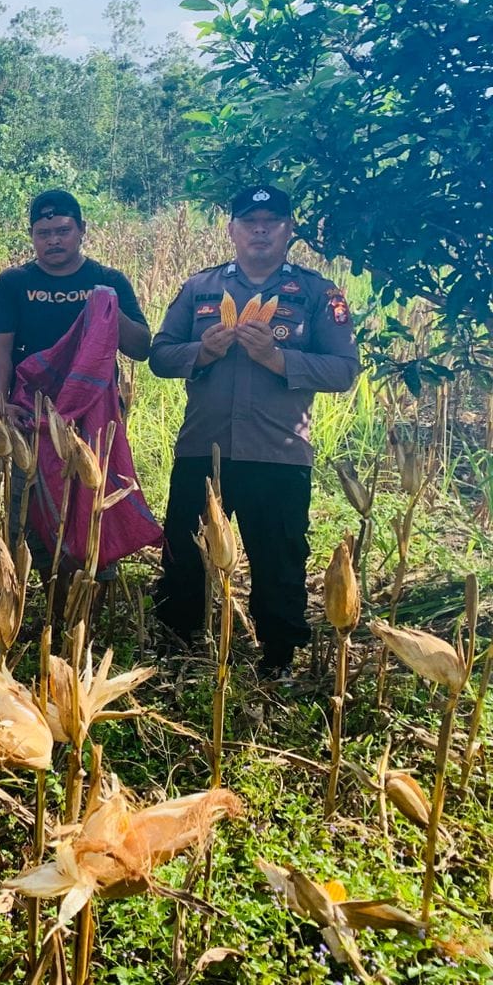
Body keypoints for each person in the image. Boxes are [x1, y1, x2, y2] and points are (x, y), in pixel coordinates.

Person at [150, 185, 359, 677]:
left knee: (279, 557)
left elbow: (345, 369)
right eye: (249, 221)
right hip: (205, 447)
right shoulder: (199, 288)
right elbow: (160, 355)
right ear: (232, 230)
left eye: (271, 220)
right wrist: (201, 352)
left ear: (289, 229)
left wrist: (277, 359)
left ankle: (279, 657)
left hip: (278, 451)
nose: (260, 230)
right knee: (185, 552)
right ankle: (179, 647)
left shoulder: (316, 293)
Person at [0, 188, 151, 428]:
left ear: (82, 229)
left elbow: (141, 349)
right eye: (43, 234)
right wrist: (1, 404)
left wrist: (108, 307)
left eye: (63, 231)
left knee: (97, 467)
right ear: (31, 234)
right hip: (31, 412)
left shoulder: (109, 280)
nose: (53, 240)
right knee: (33, 468)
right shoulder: (12, 283)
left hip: (95, 412)